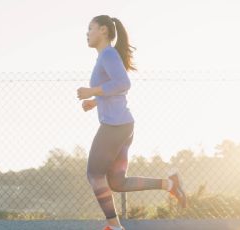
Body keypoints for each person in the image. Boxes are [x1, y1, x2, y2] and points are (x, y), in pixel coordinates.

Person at [77, 15, 187, 230]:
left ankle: (114, 226)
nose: (87, 33)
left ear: (104, 31)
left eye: (90, 28)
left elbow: (123, 83)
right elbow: (114, 90)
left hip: (115, 127)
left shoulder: (108, 54)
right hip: (123, 126)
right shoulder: (106, 56)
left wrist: (93, 91)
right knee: (117, 183)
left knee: (94, 174)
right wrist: (96, 101)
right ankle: (171, 184)